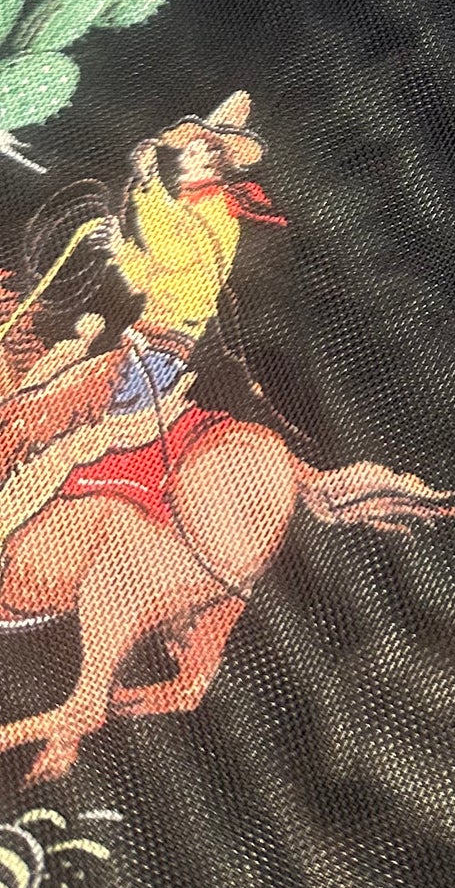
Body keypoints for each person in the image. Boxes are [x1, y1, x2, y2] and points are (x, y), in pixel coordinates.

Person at [0, 95, 284, 549]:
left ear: (216, 160)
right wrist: (124, 237)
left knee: (65, 435)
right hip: (150, 336)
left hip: (160, 347)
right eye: (190, 146)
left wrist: (148, 185)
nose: (186, 154)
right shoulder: (193, 207)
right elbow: (151, 273)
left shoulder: (213, 214)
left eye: (196, 148)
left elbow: (168, 258)